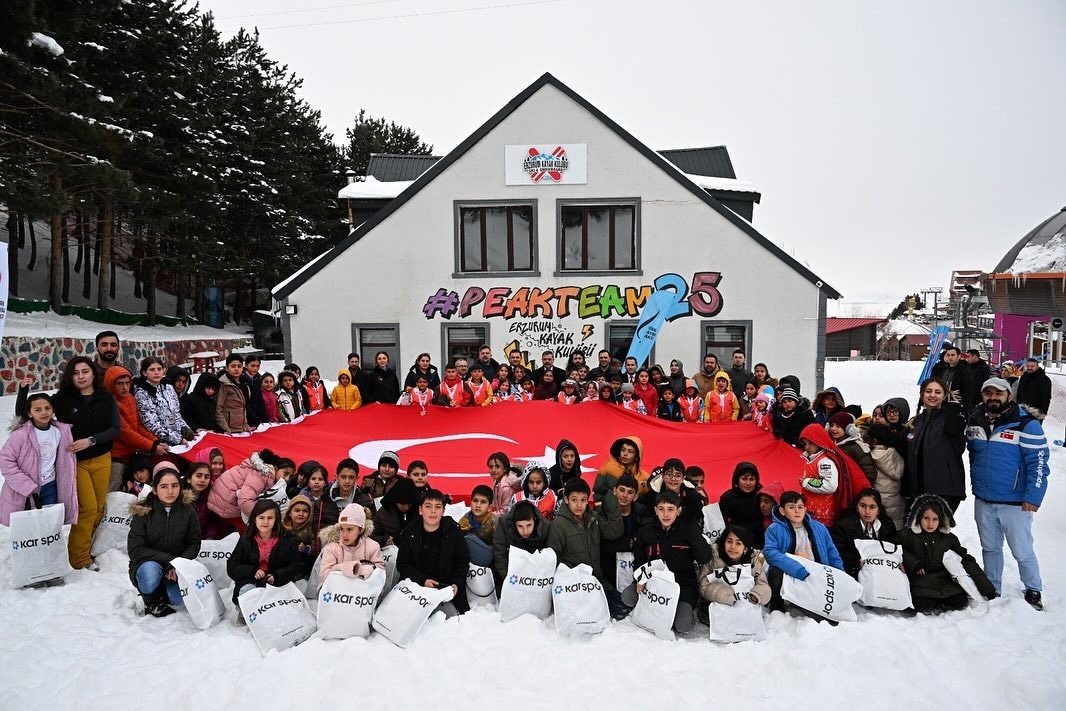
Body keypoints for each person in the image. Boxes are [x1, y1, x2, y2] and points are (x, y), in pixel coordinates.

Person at [966, 377, 1049, 610]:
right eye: (988, 393)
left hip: (1015, 502)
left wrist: (1033, 496)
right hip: (984, 498)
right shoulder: (975, 420)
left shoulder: (1026, 424)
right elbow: (974, 456)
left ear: (1008, 396)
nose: (993, 397)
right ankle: (993, 586)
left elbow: (1039, 463)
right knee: (990, 547)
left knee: (1022, 550)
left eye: (998, 393)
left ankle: (1033, 588)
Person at [52, 356, 120, 571]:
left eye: (85, 371)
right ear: (69, 376)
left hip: (102, 458)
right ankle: (79, 559)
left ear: (93, 374)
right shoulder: (63, 399)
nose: (80, 376)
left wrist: (90, 441)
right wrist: (24, 390)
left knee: (99, 508)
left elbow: (114, 429)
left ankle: (87, 548)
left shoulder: (106, 398)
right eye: (75, 373)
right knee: (87, 508)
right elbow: (30, 411)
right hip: (76, 462)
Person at [624, 489, 712, 633]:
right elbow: (639, 560)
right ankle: (655, 609)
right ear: (655, 510)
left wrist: (692, 531)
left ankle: (681, 610)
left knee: (683, 626)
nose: (666, 514)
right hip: (654, 582)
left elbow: (704, 557)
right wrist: (640, 579)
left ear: (678, 511)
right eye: (661, 509)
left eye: (670, 509)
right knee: (627, 597)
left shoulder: (688, 529)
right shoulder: (645, 532)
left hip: (682, 584)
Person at [898, 494, 998, 613]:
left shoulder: (949, 539)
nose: (930, 523)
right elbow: (894, 547)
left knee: (959, 601)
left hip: (944, 581)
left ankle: (941, 601)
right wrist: (913, 563)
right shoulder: (908, 535)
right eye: (926, 518)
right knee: (922, 605)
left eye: (935, 519)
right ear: (919, 517)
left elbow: (967, 561)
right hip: (920, 581)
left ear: (941, 520)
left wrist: (987, 588)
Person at [127, 464, 201, 617]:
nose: (170, 491)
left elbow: (193, 544)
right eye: (164, 486)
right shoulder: (143, 512)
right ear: (155, 489)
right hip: (148, 564)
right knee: (150, 574)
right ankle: (151, 601)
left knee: (179, 600)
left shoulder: (188, 511)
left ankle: (163, 592)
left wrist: (179, 564)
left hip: (176, 568)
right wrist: (171, 561)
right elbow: (136, 550)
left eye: (174, 486)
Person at [0, 393, 78, 536]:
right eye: (38, 410)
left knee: (49, 526)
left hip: (50, 486)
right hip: (25, 490)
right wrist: (26, 485)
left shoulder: (60, 432)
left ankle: (47, 554)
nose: (44, 412)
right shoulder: (21, 435)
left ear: (53, 410)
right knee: (27, 530)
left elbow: (65, 461)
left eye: (47, 408)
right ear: (29, 413)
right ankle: (29, 556)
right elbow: (5, 461)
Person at [762, 491, 844, 612]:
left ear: (805, 509)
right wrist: (797, 569)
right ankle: (777, 605)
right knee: (775, 569)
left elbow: (832, 554)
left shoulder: (819, 528)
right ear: (782, 511)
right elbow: (770, 553)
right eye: (791, 507)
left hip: (816, 574)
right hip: (791, 574)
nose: (797, 511)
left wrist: (841, 576)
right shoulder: (774, 529)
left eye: (800, 507)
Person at [396, 489, 470, 617]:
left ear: (443, 511)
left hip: (445, 589)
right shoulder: (410, 532)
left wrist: (456, 583)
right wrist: (423, 580)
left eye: (438, 507)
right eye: (428, 506)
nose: (433, 511)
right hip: (417, 588)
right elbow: (403, 564)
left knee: (447, 620)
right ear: (420, 510)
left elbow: (462, 562)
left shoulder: (453, 531)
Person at [227, 499, 308, 612]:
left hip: (277, 583)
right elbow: (232, 566)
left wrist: (277, 575)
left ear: (276, 520)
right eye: (261, 517)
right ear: (254, 519)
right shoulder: (246, 540)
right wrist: (252, 571)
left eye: (270, 518)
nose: (265, 521)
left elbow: (296, 566)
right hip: (250, 580)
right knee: (247, 591)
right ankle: (246, 614)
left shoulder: (286, 540)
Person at [902, 377, 967, 513]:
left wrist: (953, 410)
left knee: (936, 531)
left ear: (944, 396)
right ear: (922, 394)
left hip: (945, 489)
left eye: (938, 392)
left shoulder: (951, 418)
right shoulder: (916, 422)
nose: (932, 395)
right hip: (918, 489)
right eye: (928, 391)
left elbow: (959, 445)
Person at [547, 478, 623, 589]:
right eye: (574, 500)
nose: (579, 505)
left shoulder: (593, 517)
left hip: (598, 580)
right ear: (566, 499)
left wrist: (613, 507)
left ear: (588, 500)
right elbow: (553, 558)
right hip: (574, 584)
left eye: (583, 500)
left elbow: (613, 532)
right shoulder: (558, 524)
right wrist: (575, 572)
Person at [104, 366, 168, 492]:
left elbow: (137, 425)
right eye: (120, 384)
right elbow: (125, 432)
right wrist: (152, 446)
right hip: (117, 457)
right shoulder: (109, 403)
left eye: (127, 383)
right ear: (111, 384)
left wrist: (155, 441)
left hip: (131, 455)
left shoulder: (130, 398)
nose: (125, 387)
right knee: (113, 492)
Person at [599, 473, 651, 618]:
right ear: (614, 491)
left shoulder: (642, 512)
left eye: (630, 492)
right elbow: (601, 547)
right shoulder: (602, 512)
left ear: (635, 496)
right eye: (621, 490)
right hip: (609, 570)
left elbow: (646, 542)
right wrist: (626, 543)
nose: (624, 496)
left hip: (635, 568)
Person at [207, 449, 284, 534]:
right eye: (285, 473)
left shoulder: (252, 467)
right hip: (226, 505)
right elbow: (245, 501)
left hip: (218, 501)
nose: (286, 478)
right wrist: (262, 517)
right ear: (275, 468)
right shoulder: (260, 475)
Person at [830, 488, 900, 578]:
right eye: (863, 506)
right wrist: (855, 560)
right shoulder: (843, 526)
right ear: (856, 507)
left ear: (879, 510)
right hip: (854, 574)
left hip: (883, 573)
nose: (867, 511)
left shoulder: (887, 524)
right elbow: (837, 552)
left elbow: (895, 547)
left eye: (872, 507)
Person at [698, 525, 772, 607]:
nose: (733, 547)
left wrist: (756, 595)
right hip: (717, 605)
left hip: (746, 605)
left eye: (738, 543)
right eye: (729, 541)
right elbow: (703, 585)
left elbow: (763, 585)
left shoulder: (754, 560)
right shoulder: (713, 557)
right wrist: (725, 596)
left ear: (745, 548)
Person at [317, 502, 385, 587]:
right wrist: (343, 568)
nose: (344, 534)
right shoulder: (331, 548)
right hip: (335, 591)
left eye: (349, 529)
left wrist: (365, 570)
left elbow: (380, 571)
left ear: (360, 530)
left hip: (362, 592)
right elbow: (324, 574)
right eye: (342, 529)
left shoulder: (372, 546)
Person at [133, 357, 193, 446]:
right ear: (145, 373)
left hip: (179, 439)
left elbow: (176, 414)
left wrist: (187, 430)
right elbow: (152, 424)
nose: (156, 372)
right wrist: (178, 439)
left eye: (159, 369)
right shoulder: (142, 394)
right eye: (152, 370)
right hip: (159, 443)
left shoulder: (169, 388)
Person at [492, 500, 550, 588]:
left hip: (537, 575)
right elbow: (499, 553)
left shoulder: (545, 527)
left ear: (534, 520)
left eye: (529, 525)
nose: (525, 531)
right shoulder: (504, 525)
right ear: (514, 523)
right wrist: (510, 580)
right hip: (511, 573)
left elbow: (549, 557)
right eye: (520, 526)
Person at [639, 459, 703, 529]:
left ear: (683, 478)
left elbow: (697, 520)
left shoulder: (692, 496)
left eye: (678, 476)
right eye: (669, 474)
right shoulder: (652, 496)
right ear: (663, 476)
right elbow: (647, 520)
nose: (673, 479)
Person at [865, 423, 905, 528]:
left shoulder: (869, 455)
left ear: (873, 440)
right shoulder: (896, 455)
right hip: (895, 501)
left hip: (877, 501)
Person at [182, 461, 233, 540]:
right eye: (198, 476)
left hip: (204, 544)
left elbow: (213, 521)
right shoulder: (178, 498)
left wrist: (210, 536)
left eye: (206, 477)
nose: (202, 480)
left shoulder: (211, 498)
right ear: (189, 479)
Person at [718, 462, 765, 546]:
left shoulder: (762, 495)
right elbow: (722, 523)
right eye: (744, 479)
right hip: (737, 541)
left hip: (760, 541)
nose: (748, 483)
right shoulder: (728, 498)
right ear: (737, 479)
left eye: (751, 479)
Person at [826, 412, 877, 485]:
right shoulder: (829, 445)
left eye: (838, 426)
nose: (833, 429)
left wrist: (865, 489)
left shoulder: (856, 447)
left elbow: (868, 471)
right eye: (831, 425)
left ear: (849, 429)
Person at [299, 462, 341, 547]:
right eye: (313, 479)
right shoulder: (301, 498)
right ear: (308, 482)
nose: (316, 482)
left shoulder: (332, 498)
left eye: (320, 479)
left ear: (325, 483)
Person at [594, 435, 648, 499]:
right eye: (623, 450)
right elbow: (597, 492)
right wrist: (599, 508)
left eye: (630, 452)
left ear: (637, 457)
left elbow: (645, 502)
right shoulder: (607, 469)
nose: (625, 453)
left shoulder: (644, 478)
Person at [372, 476, 420, 547]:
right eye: (402, 503)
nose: (406, 507)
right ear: (395, 500)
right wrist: (384, 541)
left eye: (409, 504)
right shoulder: (383, 512)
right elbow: (372, 535)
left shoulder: (421, 512)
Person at [458, 484, 497, 566]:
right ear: (470, 503)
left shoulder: (494, 521)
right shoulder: (465, 519)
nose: (478, 505)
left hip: (489, 558)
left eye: (483, 502)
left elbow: (498, 548)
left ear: (490, 507)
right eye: (475, 501)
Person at [215, 354, 252, 434]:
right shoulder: (223, 384)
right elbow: (218, 409)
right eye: (233, 366)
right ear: (227, 368)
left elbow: (243, 407)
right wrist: (226, 429)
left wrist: (245, 425)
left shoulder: (245, 384)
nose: (236, 369)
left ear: (242, 368)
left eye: (239, 366)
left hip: (242, 429)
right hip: (229, 430)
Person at [282, 494, 316, 573]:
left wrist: (305, 549)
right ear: (290, 513)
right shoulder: (283, 527)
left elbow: (315, 548)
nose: (301, 514)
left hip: (303, 564)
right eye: (297, 510)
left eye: (305, 511)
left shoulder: (310, 529)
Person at [243, 356, 268, 428]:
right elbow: (245, 403)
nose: (255, 368)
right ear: (246, 365)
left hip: (255, 414)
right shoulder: (242, 379)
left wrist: (265, 419)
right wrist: (255, 419)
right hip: (245, 417)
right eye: (252, 366)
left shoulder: (257, 378)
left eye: (258, 366)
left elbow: (259, 400)